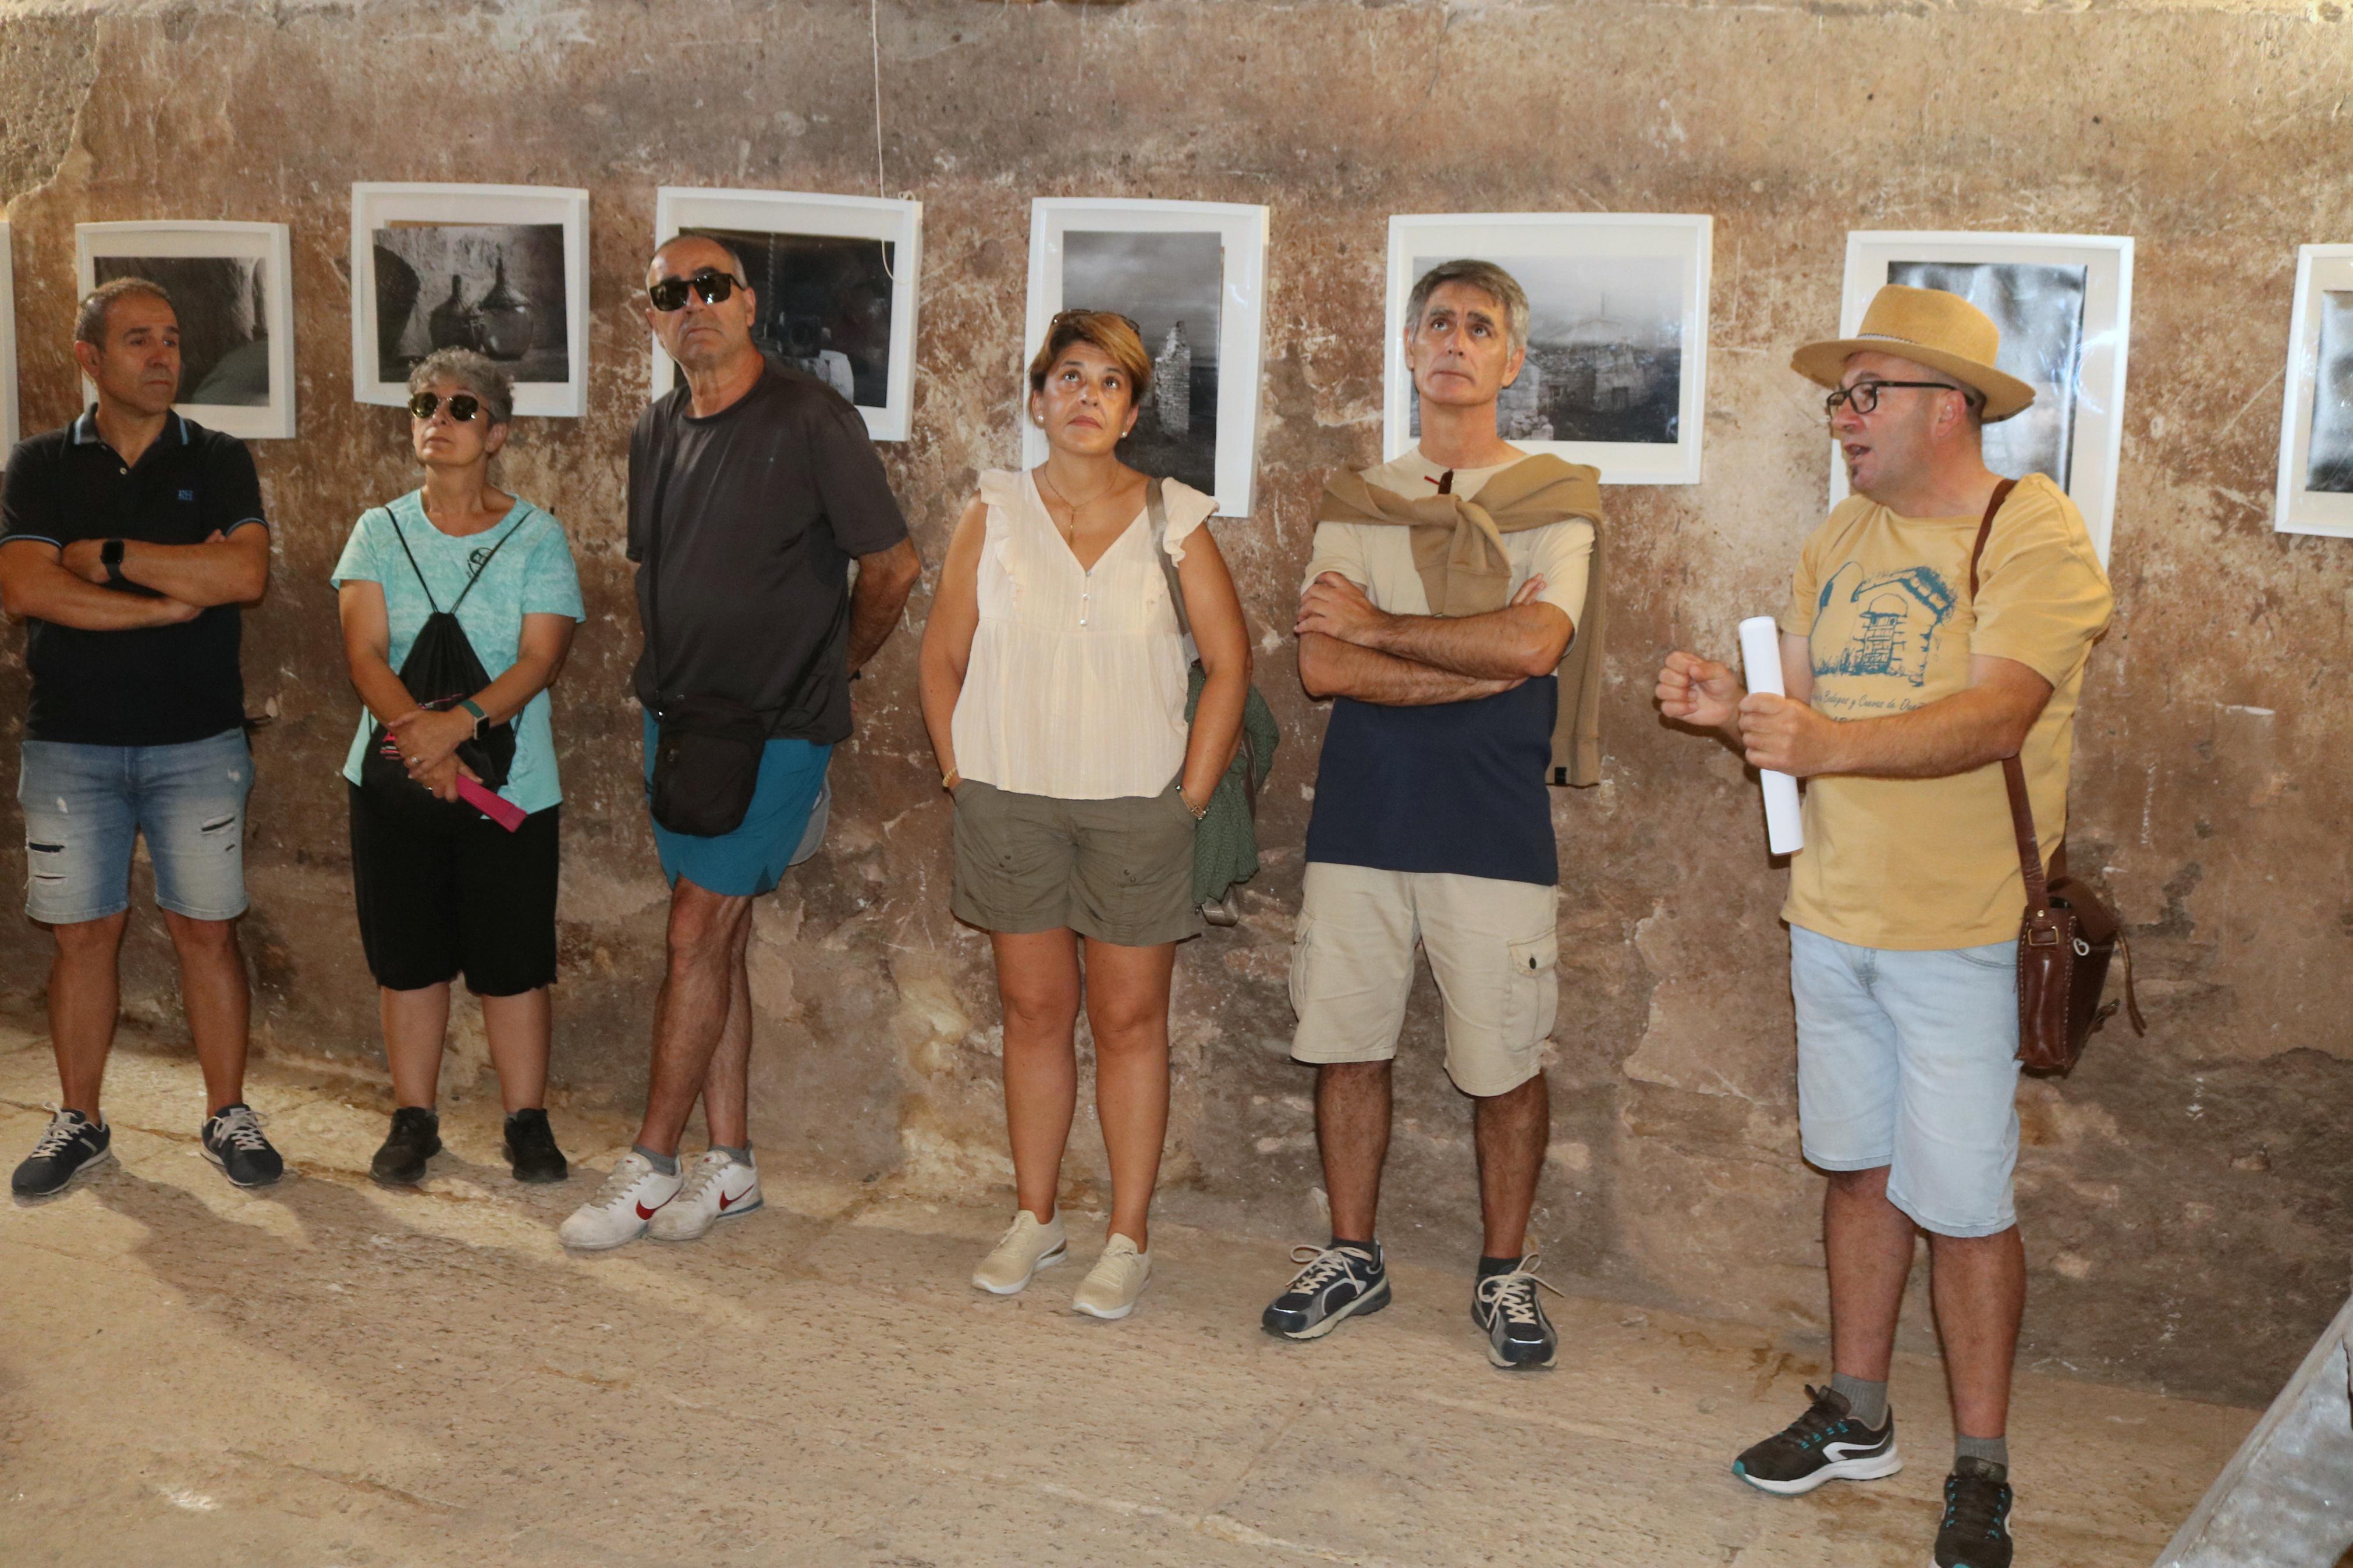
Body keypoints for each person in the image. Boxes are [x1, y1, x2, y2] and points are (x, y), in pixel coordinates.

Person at [1655, 284, 2114, 1568]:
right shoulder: (1841, 532)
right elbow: (1797, 691)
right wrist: (1724, 703)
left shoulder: (2034, 534)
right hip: (1833, 913)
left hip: (1964, 929)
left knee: (1964, 1203)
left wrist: (1823, 740)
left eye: (1867, 396)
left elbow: (1996, 716)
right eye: (1838, 398)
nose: (1844, 420)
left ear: (1949, 407)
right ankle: (1859, 1411)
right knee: (1857, 1170)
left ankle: (1983, 1465)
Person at [1262, 260, 1605, 1371]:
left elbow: (1537, 647)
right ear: (1410, 350)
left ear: (1512, 360)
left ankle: (1505, 1271)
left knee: (1503, 1059)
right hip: (1365, 814)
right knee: (1345, 1044)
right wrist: (1478, 658)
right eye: (1438, 324)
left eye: (1481, 326)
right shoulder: (1363, 497)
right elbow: (1321, 665)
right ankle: (1352, 1256)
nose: (1456, 341)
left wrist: (1387, 630)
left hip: (1495, 822)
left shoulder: (1560, 500)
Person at [558, 236, 921, 1250]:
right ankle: (733, 1167)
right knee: (716, 938)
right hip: (677, 725)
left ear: (749, 303)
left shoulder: (812, 418)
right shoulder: (654, 428)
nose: (694, 306)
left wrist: (832, 672)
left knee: (691, 933)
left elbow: (891, 567)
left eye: (712, 287)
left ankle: (648, 1164)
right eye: (672, 294)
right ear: (651, 319)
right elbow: (662, 571)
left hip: (772, 729)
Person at [918, 310, 1251, 1320]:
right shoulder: (994, 510)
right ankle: (1035, 1217)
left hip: (1135, 806)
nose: (1086, 398)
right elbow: (941, 655)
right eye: (1069, 378)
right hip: (1009, 797)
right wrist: (961, 775)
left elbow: (1230, 669)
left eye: (1109, 384)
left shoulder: (1174, 519)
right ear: (1037, 399)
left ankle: (1127, 1234)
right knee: (1032, 1014)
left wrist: (1186, 798)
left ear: (1132, 410)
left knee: (1129, 1019)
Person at [0, 278, 282, 1195]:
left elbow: (242, 573)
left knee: (207, 930)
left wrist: (108, 558)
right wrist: (161, 609)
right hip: (70, 744)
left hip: (196, 741)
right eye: (138, 341)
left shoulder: (221, 455)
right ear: (89, 359)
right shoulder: (40, 464)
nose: (164, 356)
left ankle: (227, 1113)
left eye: (170, 339)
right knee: (84, 935)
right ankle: (78, 1119)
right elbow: (26, 590)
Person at [332, 349, 584, 1189]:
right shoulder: (378, 530)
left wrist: (459, 728)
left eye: (460, 407)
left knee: (513, 962)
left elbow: (539, 658)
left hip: (510, 788)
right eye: (424, 404)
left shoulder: (537, 537)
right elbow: (364, 651)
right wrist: (421, 743)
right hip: (398, 785)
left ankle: (527, 1121)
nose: (437, 419)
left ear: (498, 432)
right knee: (409, 957)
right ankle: (414, 1119)